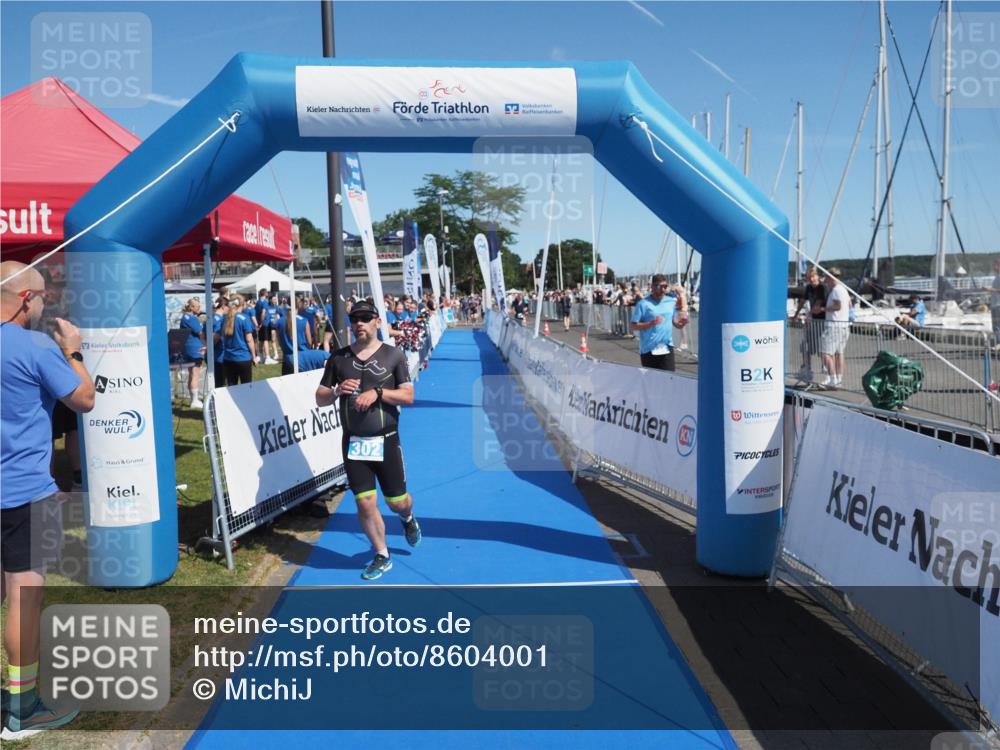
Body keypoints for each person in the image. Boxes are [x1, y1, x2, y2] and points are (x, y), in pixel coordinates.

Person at [1, 260, 96, 738]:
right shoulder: (35, 345)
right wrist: (74, 351)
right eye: (40, 299)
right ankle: (22, 709)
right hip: (22, 491)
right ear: (23, 299)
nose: (43, 307)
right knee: (24, 597)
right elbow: (84, 398)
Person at [315, 301, 420, 581]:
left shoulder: (393, 356)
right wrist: (336, 391)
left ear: (377, 322)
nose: (359, 323)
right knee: (364, 502)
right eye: (354, 319)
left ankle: (408, 519)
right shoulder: (338, 359)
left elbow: (408, 397)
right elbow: (320, 397)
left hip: (385, 441)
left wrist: (378, 393)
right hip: (353, 444)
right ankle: (382, 554)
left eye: (365, 318)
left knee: (397, 502)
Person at [631, 274, 686, 371]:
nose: (662, 289)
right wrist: (650, 324)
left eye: (665, 286)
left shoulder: (670, 302)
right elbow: (633, 326)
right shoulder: (643, 304)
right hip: (649, 349)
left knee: (669, 381)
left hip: (666, 347)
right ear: (652, 287)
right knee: (651, 383)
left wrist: (680, 324)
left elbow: (673, 321)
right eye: (659, 286)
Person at [793, 268, 826, 381]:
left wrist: (808, 315)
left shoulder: (822, 287)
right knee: (805, 346)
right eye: (809, 278)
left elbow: (818, 303)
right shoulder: (808, 288)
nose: (812, 279)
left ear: (817, 276)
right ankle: (807, 369)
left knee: (821, 347)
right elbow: (802, 301)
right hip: (813, 321)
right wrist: (796, 314)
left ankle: (826, 367)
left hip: (822, 321)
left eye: (813, 276)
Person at [819, 270, 851, 388]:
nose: (825, 280)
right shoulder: (844, 289)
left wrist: (823, 309)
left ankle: (833, 380)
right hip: (844, 325)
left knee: (825, 353)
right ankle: (838, 379)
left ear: (830, 277)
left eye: (826, 277)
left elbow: (838, 306)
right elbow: (849, 304)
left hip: (834, 326)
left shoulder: (836, 290)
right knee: (839, 353)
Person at [221, 294, 256, 385]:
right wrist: (254, 356)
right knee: (247, 387)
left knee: (232, 389)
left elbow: (223, 337)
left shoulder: (225, 318)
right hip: (243, 358)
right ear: (242, 304)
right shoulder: (244, 318)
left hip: (228, 358)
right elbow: (249, 339)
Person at [179, 297, 206, 409]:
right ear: (191, 307)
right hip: (195, 349)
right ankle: (194, 400)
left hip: (187, 348)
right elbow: (201, 333)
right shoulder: (192, 318)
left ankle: (193, 399)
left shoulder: (184, 317)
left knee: (192, 373)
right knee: (195, 374)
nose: (199, 308)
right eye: (197, 306)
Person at [212, 297, 228, 388]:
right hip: (219, 355)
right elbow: (216, 336)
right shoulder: (218, 319)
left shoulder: (213, 317)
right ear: (223, 306)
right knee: (220, 382)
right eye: (227, 306)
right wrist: (209, 348)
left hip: (217, 354)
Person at [989, 259, 1000, 351]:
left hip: (998, 304)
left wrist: (990, 290)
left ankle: (999, 344)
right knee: (995, 325)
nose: (994, 267)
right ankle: (998, 343)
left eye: (995, 265)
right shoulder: (997, 277)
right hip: (994, 304)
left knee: (997, 325)